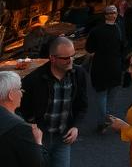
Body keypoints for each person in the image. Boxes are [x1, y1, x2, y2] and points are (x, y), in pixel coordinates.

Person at [20, 36, 88, 167]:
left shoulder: (78, 74)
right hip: (39, 139)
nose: (71, 60)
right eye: (66, 58)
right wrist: (32, 126)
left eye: (72, 56)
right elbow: (21, 108)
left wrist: (75, 126)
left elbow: (82, 104)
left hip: (63, 138)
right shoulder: (34, 79)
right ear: (52, 58)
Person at [86, 4, 125, 134]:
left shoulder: (96, 31)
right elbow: (123, 47)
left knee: (101, 95)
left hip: (100, 66)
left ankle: (102, 122)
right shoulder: (119, 30)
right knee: (111, 95)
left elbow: (89, 48)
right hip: (115, 66)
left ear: (105, 16)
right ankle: (108, 118)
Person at [0, 70, 45, 167]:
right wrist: (38, 142)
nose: (21, 93)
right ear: (11, 95)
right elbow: (36, 163)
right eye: (19, 89)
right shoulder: (21, 128)